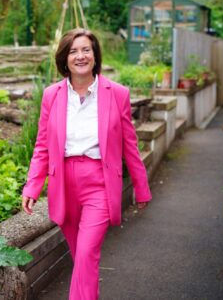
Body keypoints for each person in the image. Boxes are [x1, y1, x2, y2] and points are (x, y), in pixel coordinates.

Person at [22, 28, 152, 300]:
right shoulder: (52, 95)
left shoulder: (117, 94)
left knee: (85, 255)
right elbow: (42, 145)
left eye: (86, 50)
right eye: (73, 51)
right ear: (64, 58)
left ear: (95, 55)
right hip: (64, 185)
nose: (80, 56)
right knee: (83, 260)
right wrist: (33, 187)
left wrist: (141, 187)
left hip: (99, 184)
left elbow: (130, 145)